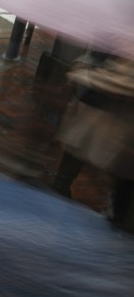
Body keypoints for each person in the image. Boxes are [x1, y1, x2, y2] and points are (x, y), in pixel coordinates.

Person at [52, 55, 134, 232]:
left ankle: (116, 221)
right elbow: (95, 55)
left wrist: (86, 76)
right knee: (78, 148)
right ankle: (60, 191)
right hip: (100, 117)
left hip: (117, 121)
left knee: (123, 177)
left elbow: (124, 83)